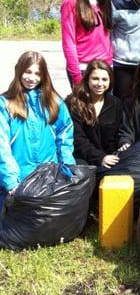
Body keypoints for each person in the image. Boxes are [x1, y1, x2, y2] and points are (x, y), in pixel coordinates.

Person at [0, 51, 75, 207]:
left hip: (48, 176)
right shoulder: (5, 104)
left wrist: (67, 169)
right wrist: (11, 180)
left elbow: (65, 138)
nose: (32, 78)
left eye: (37, 73)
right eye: (28, 72)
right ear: (19, 71)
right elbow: (2, 147)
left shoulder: (55, 103)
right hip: (17, 179)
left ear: (43, 76)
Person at [61, 0, 113, 86]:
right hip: (83, 68)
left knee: (106, 106)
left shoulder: (105, 1)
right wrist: (76, 75)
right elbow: (68, 42)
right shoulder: (71, 3)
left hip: (106, 68)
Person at [66, 60, 122, 167]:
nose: (100, 84)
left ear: (110, 81)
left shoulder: (116, 103)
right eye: (95, 79)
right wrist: (100, 158)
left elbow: (120, 133)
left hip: (109, 158)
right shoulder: (73, 102)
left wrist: (124, 143)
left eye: (104, 79)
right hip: (82, 159)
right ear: (87, 80)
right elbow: (77, 139)